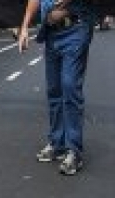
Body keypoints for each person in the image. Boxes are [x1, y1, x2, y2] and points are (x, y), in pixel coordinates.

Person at [19, 0, 96, 176]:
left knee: (70, 87)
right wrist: (24, 27)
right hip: (52, 33)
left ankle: (74, 150)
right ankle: (57, 143)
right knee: (54, 90)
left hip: (76, 29)